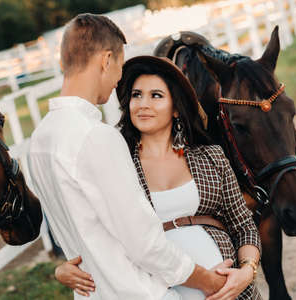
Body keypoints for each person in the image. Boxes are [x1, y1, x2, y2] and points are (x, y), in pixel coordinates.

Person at [27, 14, 231, 300]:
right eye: (120, 67)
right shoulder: (96, 137)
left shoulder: (39, 140)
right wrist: (207, 281)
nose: (118, 79)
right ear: (105, 60)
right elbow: (145, 244)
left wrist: (64, 269)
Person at [54, 56, 262, 300]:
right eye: (136, 95)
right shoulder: (115, 162)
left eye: (156, 96)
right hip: (154, 291)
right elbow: (89, 227)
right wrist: (63, 268)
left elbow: (243, 225)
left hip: (227, 290)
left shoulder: (210, 157)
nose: (143, 104)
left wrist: (247, 271)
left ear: (175, 108)